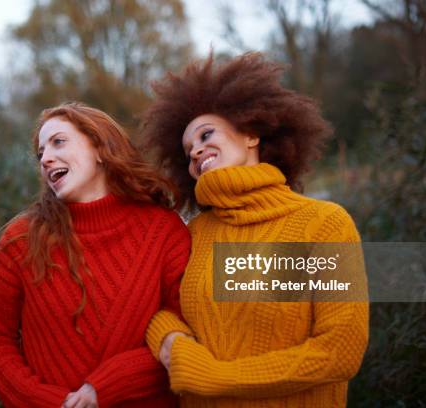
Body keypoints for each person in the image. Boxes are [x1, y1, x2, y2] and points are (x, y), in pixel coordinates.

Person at [142, 52, 369, 407]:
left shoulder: (322, 224)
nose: (197, 151)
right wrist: (169, 340)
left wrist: (218, 378)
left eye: (205, 135)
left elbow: (338, 351)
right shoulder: (194, 233)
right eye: (188, 152)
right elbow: (160, 310)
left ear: (250, 133)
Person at [0, 102, 191, 408]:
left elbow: (187, 329)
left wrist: (107, 387)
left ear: (100, 147)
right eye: (40, 153)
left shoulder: (163, 231)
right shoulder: (21, 239)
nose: (46, 158)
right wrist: (48, 402)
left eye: (58, 142)